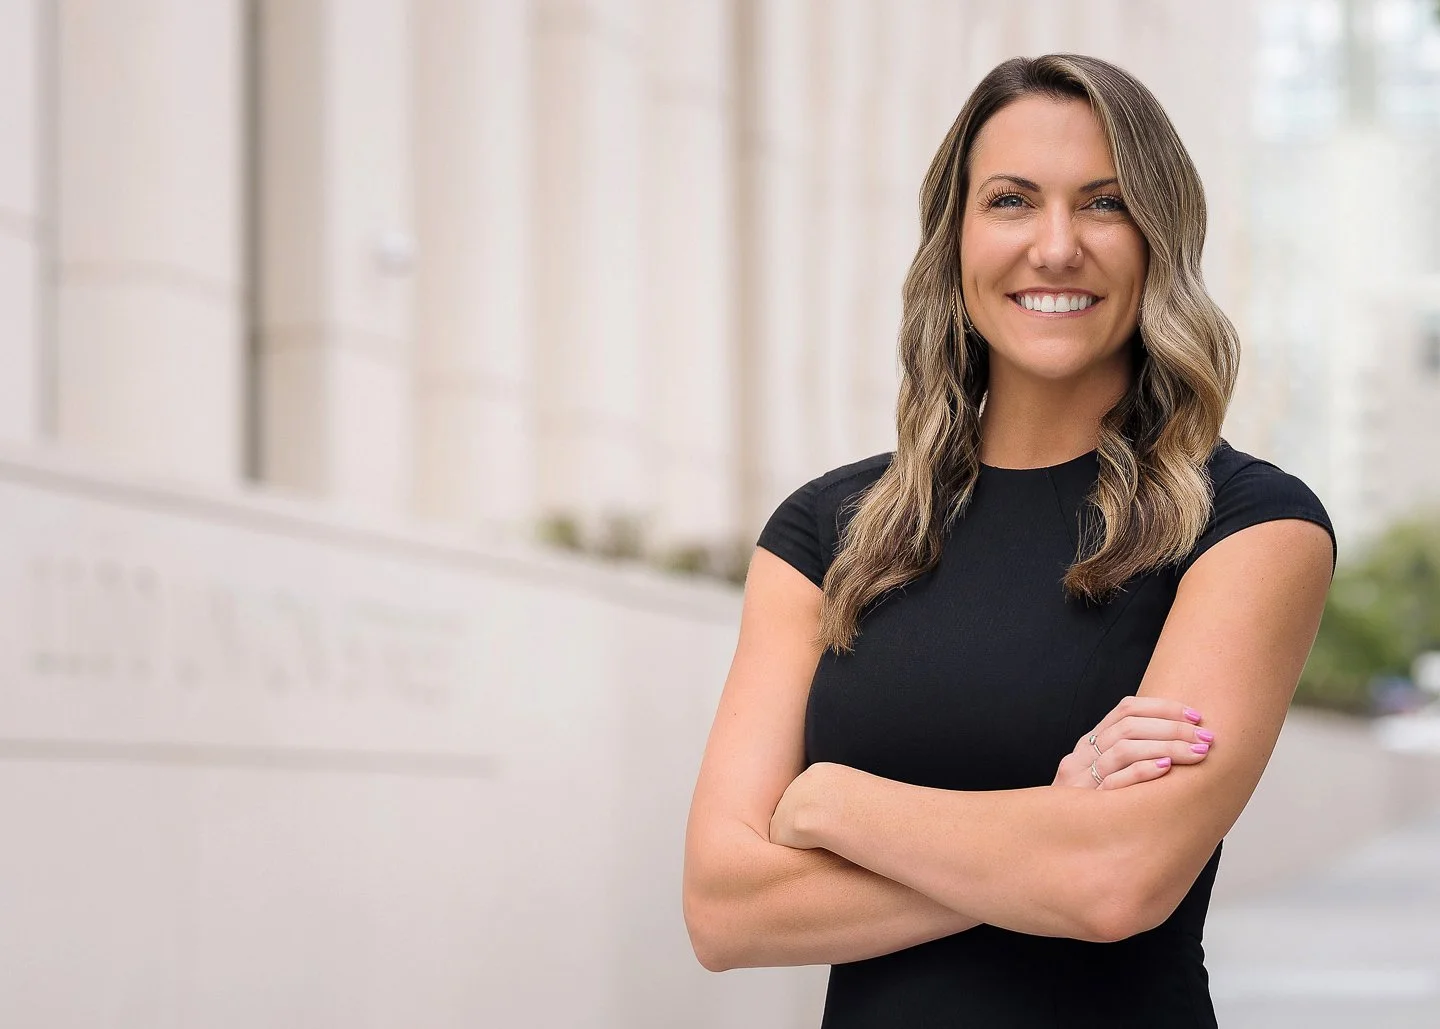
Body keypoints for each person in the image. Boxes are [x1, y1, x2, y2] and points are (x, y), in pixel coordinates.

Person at [681, 53, 1337, 1028]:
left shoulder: (1246, 526)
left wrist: (829, 805)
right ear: (956, 238)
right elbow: (724, 910)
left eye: (1104, 204)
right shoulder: (830, 534)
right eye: (1013, 201)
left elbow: (1114, 884)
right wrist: (1052, 829)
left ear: (1159, 240)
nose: (1057, 246)